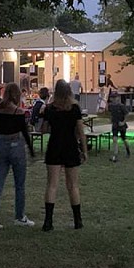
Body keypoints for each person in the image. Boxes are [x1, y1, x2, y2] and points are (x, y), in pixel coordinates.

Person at [0, 83, 36, 229]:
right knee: (19, 184)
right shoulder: (18, 112)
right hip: (15, 145)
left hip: (1, 144)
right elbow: (24, 132)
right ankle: (20, 216)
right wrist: (31, 151)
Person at [41, 79, 88, 231]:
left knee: (52, 184)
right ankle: (77, 220)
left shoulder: (50, 108)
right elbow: (81, 131)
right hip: (70, 146)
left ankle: (48, 222)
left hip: (54, 146)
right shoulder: (74, 108)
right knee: (73, 185)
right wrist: (85, 150)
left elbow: (44, 129)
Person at [108, 92, 130, 162]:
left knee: (124, 139)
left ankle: (127, 149)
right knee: (114, 139)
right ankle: (115, 155)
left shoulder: (121, 106)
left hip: (121, 125)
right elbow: (110, 113)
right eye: (112, 98)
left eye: (115, 97)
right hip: (115, 124)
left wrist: (123, 122)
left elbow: (127, 114)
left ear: (118, 98)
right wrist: (111, 119)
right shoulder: (110, 106)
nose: (113, 99)